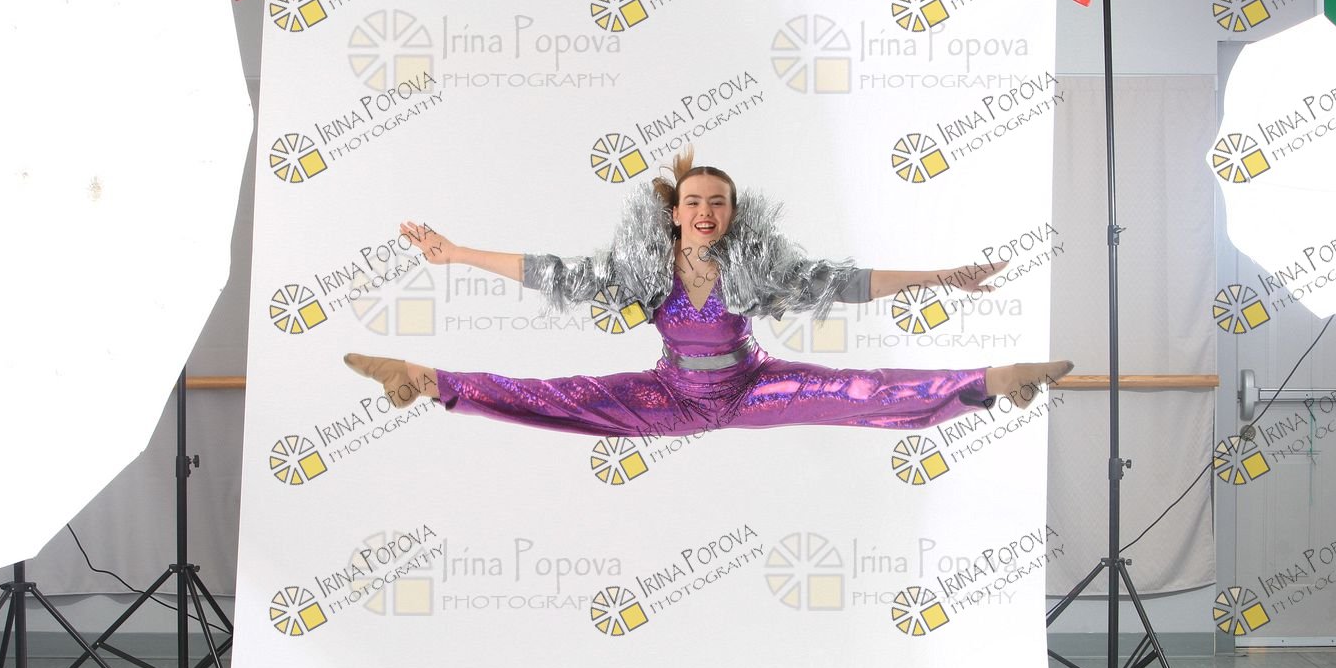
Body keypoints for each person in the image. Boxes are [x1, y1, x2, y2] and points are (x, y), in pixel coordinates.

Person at [345, 150, 1071, 438]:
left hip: (755, 386)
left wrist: (941, 276)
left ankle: (996, 379)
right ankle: (423, 378)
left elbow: (849, 284)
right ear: (674, 213)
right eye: (693, 201)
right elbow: (552, 272)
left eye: (717, 202)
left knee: (862, 390)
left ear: (731, 214)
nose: (704, 211)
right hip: (671, 395)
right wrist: (456, 253)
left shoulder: (755, 267)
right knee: (560, 397)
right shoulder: (642, 268)